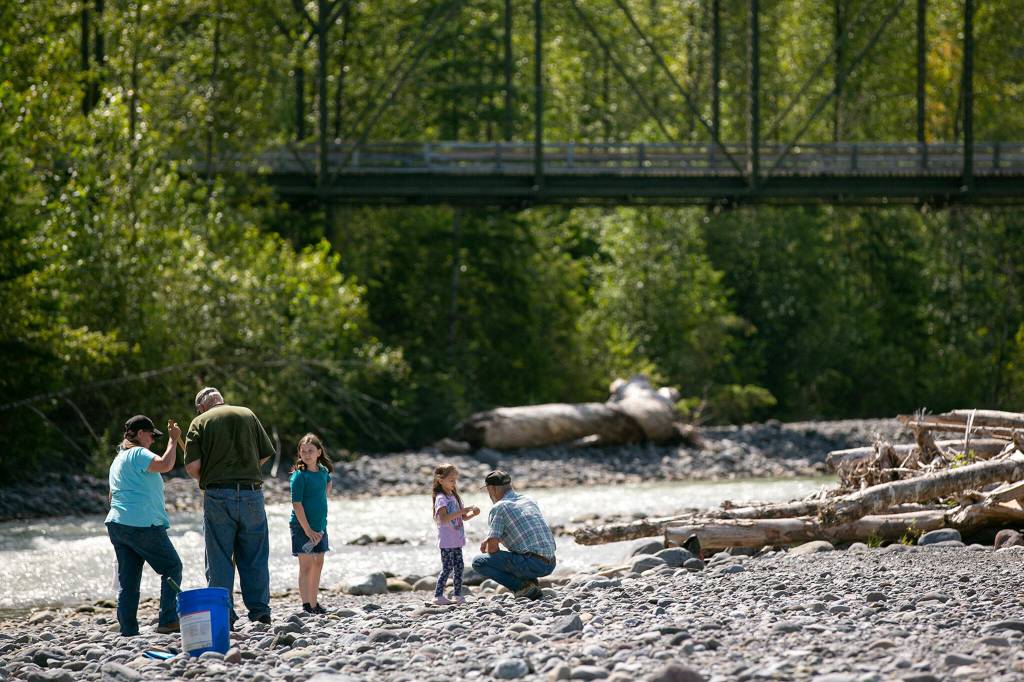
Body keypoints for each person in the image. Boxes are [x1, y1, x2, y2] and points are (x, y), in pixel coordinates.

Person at [184, 387, 276, 625]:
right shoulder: (247, 413)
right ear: (221, 400)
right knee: (254, 555)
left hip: (218, 495)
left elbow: (193, 467)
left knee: (219, 557)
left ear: (201, 406)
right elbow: (265, 454)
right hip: (252, 493)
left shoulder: (199, 421)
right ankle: (260, 612)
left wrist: (213, 474)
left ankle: (225, 614)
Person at [106, 415, 183, 637]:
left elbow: (111, 496)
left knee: (128, 579)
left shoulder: (117, 460)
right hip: (142, 523)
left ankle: (128, 629)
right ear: (140, 434)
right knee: (172, 567)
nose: (152, 440)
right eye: (151, 435)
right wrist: (173, 440)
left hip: (117, 523)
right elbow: (166, 464)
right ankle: (168, 620)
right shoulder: (138, 453)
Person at [472, 470, 556, 600]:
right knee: (520, 553)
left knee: (479, 562)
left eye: (488, 491)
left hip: (533, 564)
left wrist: (491, 545)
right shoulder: (528, 500)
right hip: (551, 562)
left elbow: (493, 550)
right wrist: (491, 539)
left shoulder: (499, 507)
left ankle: (522, 587)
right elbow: (523, 533)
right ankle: (532, 584)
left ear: (492, 489)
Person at [289, 433, 333, 614]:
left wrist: (323, 499)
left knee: (319, 562)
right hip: (302, 527)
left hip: (320, 526)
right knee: (306, 565)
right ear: (299, 453)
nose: (307, 454)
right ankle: (306, 604)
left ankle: (315, 603)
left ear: (319, 452)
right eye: (303, 451)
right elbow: (296, 504)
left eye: (311, 451)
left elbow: (328, 484)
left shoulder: (323, 471)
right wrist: (307, 529)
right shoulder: (299, 476)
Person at [431, 464, 480, 605]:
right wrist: (463, 511)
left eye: (455, 480)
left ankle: (458, 595)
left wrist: (472, 513)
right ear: (440, 480)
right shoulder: (441, 498)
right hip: (446, 540)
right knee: (447, 568)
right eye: (451, 480)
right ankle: (438, 595)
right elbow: (444, 519)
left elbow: (462, 518)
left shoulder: (454, 497)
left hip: (457, 539)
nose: (454, 483)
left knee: (459, 567)